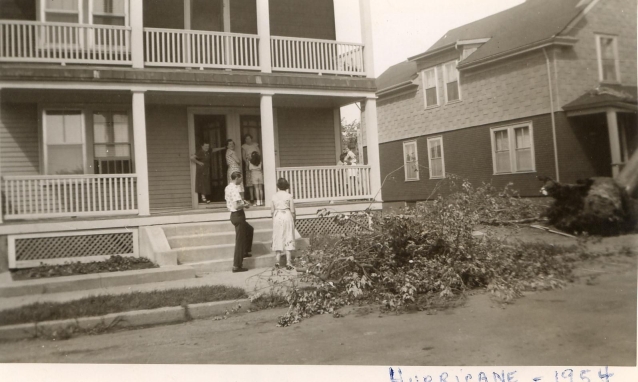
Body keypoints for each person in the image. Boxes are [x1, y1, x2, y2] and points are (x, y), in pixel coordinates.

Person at [225, 171, 253, 273]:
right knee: (239, 241)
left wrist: (242, 201)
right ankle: (236, 266)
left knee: (249, 229)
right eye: (240, 178)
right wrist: (246, 205)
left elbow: (234, 201)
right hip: (238, 214)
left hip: (233, 215)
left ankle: (245, 251)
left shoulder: (228, 187)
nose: (241, 180)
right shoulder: (235, 189)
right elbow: (237, 206)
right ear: (236, 178)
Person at [271, 178, 296, 271]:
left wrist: (274, 219)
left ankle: (277, 261)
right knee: (288, 236)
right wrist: (294, 219)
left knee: (277, 236)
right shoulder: (289, 196)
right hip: (287, 215)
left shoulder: (274, 196)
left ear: (278, 186)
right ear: (286, 186)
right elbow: (292, 210)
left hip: (277, 215)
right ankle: (288, 262)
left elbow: (272, 211)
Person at [241, 134, 261, 204]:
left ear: (251, 139)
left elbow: (259, 153)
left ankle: (258, 198)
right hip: (249, 163)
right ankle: (252, 197)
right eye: (246, 139)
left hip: (256, 163)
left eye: (249, 138)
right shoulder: (244, 146)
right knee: (250, 181)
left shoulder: (255, 145)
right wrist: (247, 162)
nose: (247, 140)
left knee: (257, 181)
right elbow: (243, 156)